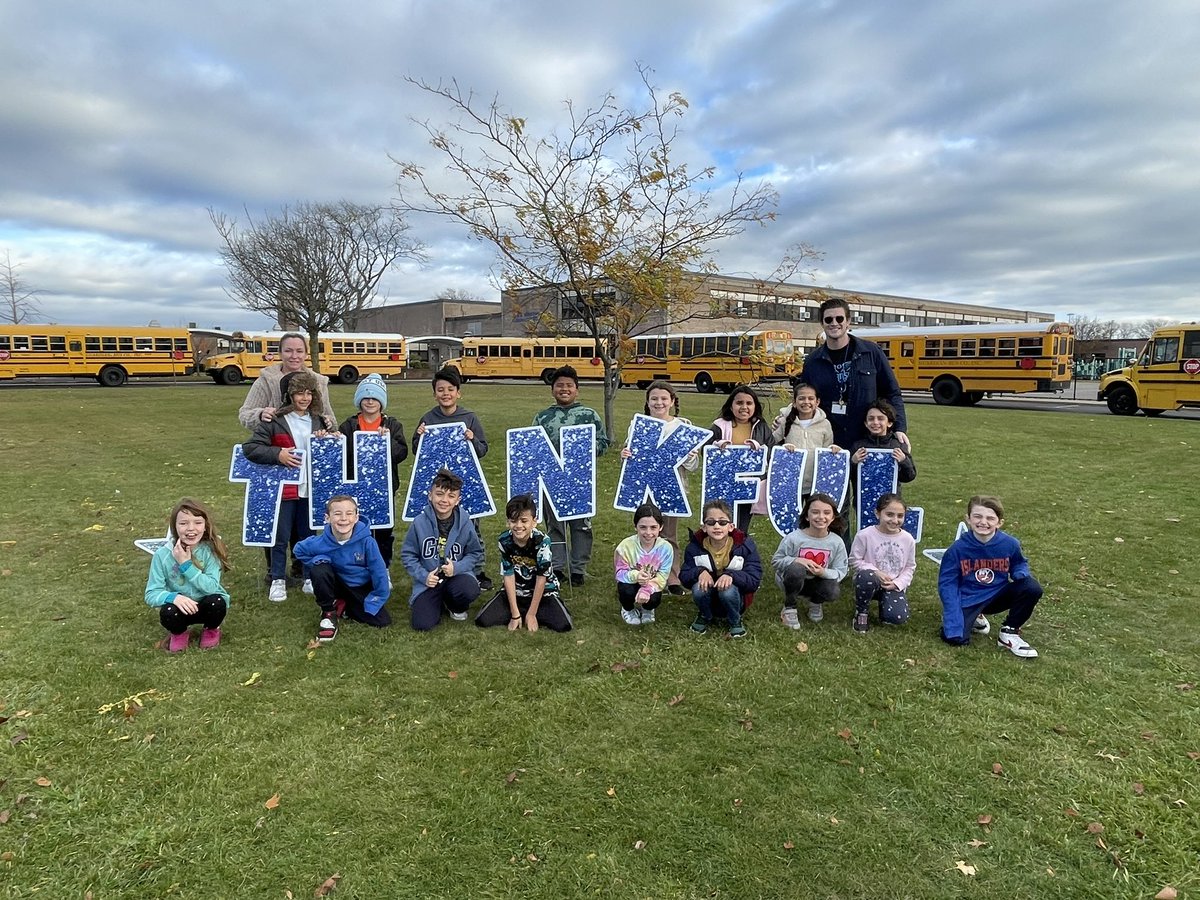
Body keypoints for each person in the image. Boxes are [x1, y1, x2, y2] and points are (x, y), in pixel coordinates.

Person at [242, 370, 332, 602]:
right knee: (280, 536)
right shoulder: (276, 422)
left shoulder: (319, 420)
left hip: (310, 490)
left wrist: (329, 437)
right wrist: (277, 454)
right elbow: (251, 448)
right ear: (289, 395)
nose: (304, 398)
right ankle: (277, 579)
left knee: (308, 535)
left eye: (309, 393)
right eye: (299, 393)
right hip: (284, 491)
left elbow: (332, 450)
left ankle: (309, 576)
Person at [413, 366, 492, 590]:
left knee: (471, 527)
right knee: (440, 528)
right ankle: (439, 566)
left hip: (466, 482)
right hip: (441, 488)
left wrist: (473, 439)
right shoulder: (428, 418)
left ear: (458, 392)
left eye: (450, 389)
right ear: (434, 393)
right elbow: (416, 451)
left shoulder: (469, 417)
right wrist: (419, 438)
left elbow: (483, 449)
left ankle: (477, 570)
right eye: (440, 390)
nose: (445, 393)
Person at [532, 365, 610, 586]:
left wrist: (587, 448)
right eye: (559, 386)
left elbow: (603, 443)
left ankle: (578, 568)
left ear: (577, 389)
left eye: (569, 386)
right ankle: (557, 566)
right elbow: (533, 446)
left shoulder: (588, 415)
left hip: (580, 479)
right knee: (554, 525)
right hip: (551, 480)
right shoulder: (543, 417)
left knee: (581, 525)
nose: (564, 389)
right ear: (552, 389)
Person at [939, 495, 1044, 658]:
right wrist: (953, 616)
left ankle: (1009, 631)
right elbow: (947, 584)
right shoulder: (957, 549)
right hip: (969, 598)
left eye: (990, 518)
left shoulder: (1010, 543)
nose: (983, 522)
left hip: (997, 594)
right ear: (968, 519)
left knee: (1031, 587)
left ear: (999, 522)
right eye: (977, 516)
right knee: (955, 639)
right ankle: (973, 617)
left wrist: (1019, 573)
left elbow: (1019, 563)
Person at [620, 381, 699, 594]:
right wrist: (625, 456)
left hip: (672, 488)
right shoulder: (639, 424)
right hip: (645, 489)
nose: (659, 402)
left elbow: (692, 467)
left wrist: (690, 457)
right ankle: (642, 575)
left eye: (664, 398)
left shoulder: (683, 425)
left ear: (672, 401)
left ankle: (672, 578)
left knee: (669, 535)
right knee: (646, 533)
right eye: (654, 398)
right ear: (647, 401)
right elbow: (631, 458)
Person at [798, 298, 908, 451]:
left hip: (867, 439)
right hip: (828, 442)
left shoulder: (871, 353)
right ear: (822, 324)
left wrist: (899, 428)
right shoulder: (812, 362)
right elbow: (804, 399)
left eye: (839, 318)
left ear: (848, 321)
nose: (834, 323)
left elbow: (892, 393)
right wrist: (786, 420)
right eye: (828, 319)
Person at [293, 494, 392, 642]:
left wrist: (377, 598)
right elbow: (298, 550)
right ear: (327, 518)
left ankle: (344, 606)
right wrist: (317, 560)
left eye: (349, 513)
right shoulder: (320, 541)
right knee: (320, 569)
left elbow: (379, 572)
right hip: (336, 583)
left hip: (359, 585)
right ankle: (328, 611)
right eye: (337, 514)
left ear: (357, 517)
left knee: (382, 621)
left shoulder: (368, 542)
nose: (344, 518)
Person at [337, 373, 408, 566]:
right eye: (365, 398)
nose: (370, 402)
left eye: (374, 398)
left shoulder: (392, 425)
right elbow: (341, 455)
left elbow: (402, 453)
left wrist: (387, 442)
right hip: (356, 486)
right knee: (356, 526)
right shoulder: (349, 426)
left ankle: (383, 564)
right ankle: (356, 564)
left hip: (383, 486)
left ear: (382, 401)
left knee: (384, 529)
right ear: (359, 401)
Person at [475, 494, 573, 632]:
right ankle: (518, 611)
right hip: (516, 591)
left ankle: (532, 612)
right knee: (483, 620)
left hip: (544, 591)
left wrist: (532, 614)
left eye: (524, 521)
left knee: (564, 625)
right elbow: (508, 575)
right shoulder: (504, 540)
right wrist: (515, 615)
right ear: (508, 522)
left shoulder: (542, 541)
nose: (518, 526)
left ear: (534, 521)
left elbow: (542, 577)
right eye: (514, 521)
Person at [400, 469, 483, 631]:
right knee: (422, 624)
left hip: (456, 577)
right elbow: (408, 555)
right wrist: (424, 576)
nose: (444, 500)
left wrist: (457, 567)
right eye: (439, 494)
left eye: (451, 496)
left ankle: (454, 605)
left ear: (458, 500)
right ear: (430, 495)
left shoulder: (466, 523)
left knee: (469, 589)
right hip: (429, 581)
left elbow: (475, 553)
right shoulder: (418, 523)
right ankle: (436, 601)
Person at [144, 499, 231, 652]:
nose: (191, 529)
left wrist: (186, 565)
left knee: (217, 602)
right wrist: (174, 598)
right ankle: (179, 633)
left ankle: (211, 629)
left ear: (205, 526)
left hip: (207, 605)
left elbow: (211, 587)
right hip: (181, 608)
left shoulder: (210, 552)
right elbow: (151, 593)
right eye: (183, 523)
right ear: (174, 527)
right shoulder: (162, 555)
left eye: (197, 522)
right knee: (168, 612)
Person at [679, 499, 762, 638]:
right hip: (708, 594)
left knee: (727, 590)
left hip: (735, 596)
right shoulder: (695, 547)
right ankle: (705, 615)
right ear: (704, 527)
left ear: (731, 526)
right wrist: (699, 572)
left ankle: (735, 620)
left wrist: (732, 576)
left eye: (722, 522)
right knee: (699, 588)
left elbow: (754, 579)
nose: (717, 526)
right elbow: (684, 576)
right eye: (711, 522)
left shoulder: (744, 545)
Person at [772, 493, 849, 629]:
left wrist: (823, 572)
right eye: (815, 512)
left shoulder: (836, 542)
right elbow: (776, 561)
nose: (821, 517)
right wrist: (796, 560)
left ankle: (816, 602)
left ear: (832, 517)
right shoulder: (794, 538)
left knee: (833, 591)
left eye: (826, 513)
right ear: (807, 516)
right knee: (796, 569)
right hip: (791, 579)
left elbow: (841, 571)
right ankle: (790, 606)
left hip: (817, 581)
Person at [238, 331, 336, 431]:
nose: (294, 356)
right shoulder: (265, 380)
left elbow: (331, 419)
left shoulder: (318, 381)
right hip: (276, 442)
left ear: (306, 354)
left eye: (299, 351)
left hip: (310, 442)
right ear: (280, 353)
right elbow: (245, 414)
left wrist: (328, 422)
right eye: (288, 351)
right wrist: (260, 415)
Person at [709, 384, 774, 534]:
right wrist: (718, 446)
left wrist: (759, 450)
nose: (744, 407)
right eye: (739, 403)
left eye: (749, 403)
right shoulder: (719, 426)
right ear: (731, 406)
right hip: (724, 484)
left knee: (742, 526)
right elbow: (705, 449)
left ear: (755, 406)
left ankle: (738, 553)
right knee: (722, 522)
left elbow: (771, 450)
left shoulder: (761, 426)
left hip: (749, 485)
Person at [849, 493, 916, 633]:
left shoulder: (908, 539)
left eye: (900, 516)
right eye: (889, 514)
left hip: (892, 584)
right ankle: (861, 612)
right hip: (868, 581)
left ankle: (885, 604)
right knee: (867, 577)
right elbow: (854, 560)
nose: (895, 520)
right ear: (878, 513)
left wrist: (898, 583)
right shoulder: (865, 535)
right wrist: (875, 571)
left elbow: (910, 567)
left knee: (897, 617)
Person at [771, 381, 837, 499]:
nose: (806, 402)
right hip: (791, 482)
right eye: (801, 398)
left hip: (815, 483)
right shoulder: (784, 422)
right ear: (794, 402)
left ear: (817, 402)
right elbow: (772, 444)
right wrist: (783, 449)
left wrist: (833, 451)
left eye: (811, 398)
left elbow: (827, 450)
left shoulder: (825, 424)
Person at [614, 502, 673, 626]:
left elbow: (663, 577)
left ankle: (647, 609)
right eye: (643, 527)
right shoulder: (625, 546)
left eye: (653, 527)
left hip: (652, 584)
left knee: (654, 599)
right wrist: (636, 576)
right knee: (626, 590)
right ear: (635, 527)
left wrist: (646, 590)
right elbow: (620, 574)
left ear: (660, 527)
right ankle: (628, 609)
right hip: (631, 582)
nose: (648, 532)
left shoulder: (666, 548)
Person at [849, 399, 916, 486]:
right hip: (862, 498)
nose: (875, 422)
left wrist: (904, 461)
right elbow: (847, 476)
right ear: (865, 423)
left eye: (881, 419)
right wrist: (853, 462)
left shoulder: (898, 445)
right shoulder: (858, 446)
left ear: (890, 423)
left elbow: (909, 476)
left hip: (891, 498)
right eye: (871, 419)